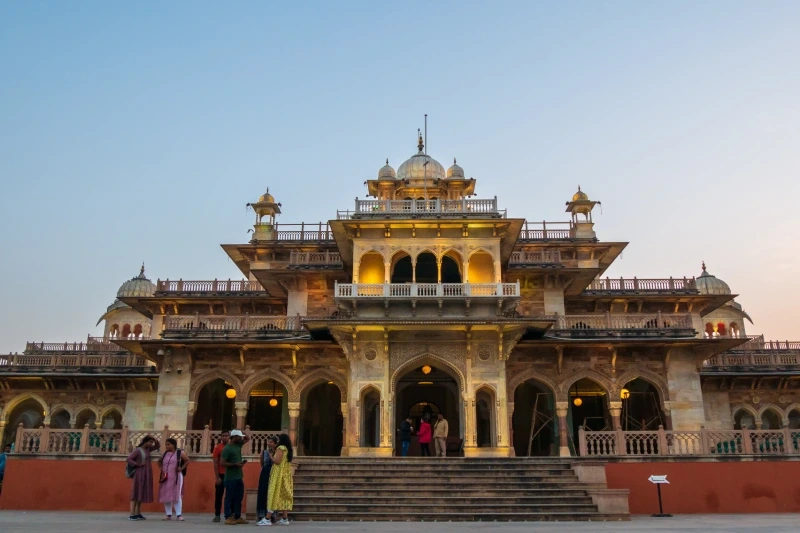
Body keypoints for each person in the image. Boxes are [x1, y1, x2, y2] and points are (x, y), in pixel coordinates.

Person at [127, 435, 160, 521]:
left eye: (151, 442)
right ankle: (131, 514)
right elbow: (129, 459)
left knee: (141, 493)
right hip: (139, 473)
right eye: (150, 442)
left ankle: (138, 513)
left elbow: (157, 446)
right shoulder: (138, 450)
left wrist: (154, 438)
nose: (151, 444)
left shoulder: (148, 450)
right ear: (145, 442)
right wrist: (137, 464)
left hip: (146, 473)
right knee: (136, 492)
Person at [221, 429, 249, 525]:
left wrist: (240, 431)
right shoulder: (227, 448)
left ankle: (237, 516)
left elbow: (248, 438)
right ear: (234, 437)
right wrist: (235, 464)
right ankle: (228, 516)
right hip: (230, 478)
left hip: (238, 476)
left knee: (238, 497)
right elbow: (222, 463)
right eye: (239, 436)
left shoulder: (238, 445)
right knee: (229, 498)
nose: (241, 438)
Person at [265, 433, 294, 526]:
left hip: (278, 474)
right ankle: (285, 518)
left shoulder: (281, 448)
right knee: (283, 496)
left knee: (273, 494)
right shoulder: (288, 449)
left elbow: (277, 461)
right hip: (285, 475)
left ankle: (267, 518)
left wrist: (270, 456)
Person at [158, 437, 189, 521]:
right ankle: (168, 514)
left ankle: (179, 515)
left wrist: (181, 468)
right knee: (166, 494)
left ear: (173, 445)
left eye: (168, 444)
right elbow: (159, 461)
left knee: (176, 494)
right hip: (165, 477)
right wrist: (161, 468)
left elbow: (187, 461)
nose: (167, 446)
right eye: (166, 445)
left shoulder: (179, 453)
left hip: (176, 476)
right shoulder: (164, 453)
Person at [256, 436, 278, 526]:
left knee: (271, 493)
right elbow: (262, 463)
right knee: (263, 492)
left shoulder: (278, 452)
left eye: (271, 442)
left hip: (273, 472)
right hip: (265, 473)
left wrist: (271, 456)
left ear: (275, 444)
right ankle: (261, 514)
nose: (269, 443)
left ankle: (272, 515)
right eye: (268, 442)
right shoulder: (264, 452)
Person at [211, 430, 230, 522]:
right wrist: (217, 477)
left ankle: (230, 515)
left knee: (230, 495)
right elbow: (215, 463)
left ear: (229, 436)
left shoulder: (232, 447)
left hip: (230, 475)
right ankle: (217, 515)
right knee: (218, 496)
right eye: (223, 436)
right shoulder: (218, 448)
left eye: (226, 435)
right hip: (221, 475)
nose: (224, 437)